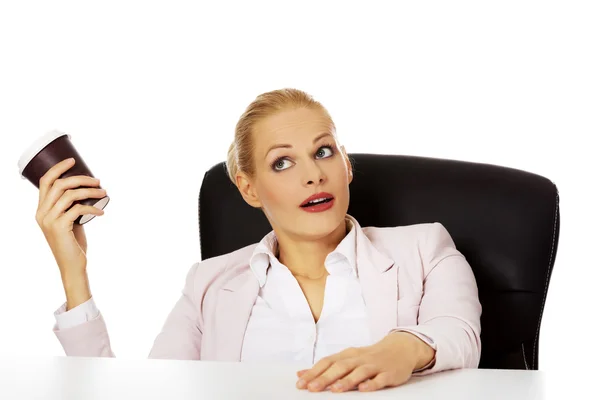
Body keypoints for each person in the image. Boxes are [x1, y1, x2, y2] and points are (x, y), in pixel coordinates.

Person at [35, 88, 482, 393]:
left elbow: (459, 334)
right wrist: (74, 275)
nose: (313, 174)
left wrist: (402, 348)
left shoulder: (425, 249)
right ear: (249, 189)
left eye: (323, 151)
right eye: (282, 163)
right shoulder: (208, 284)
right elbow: (152, 391)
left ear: (346, 166)